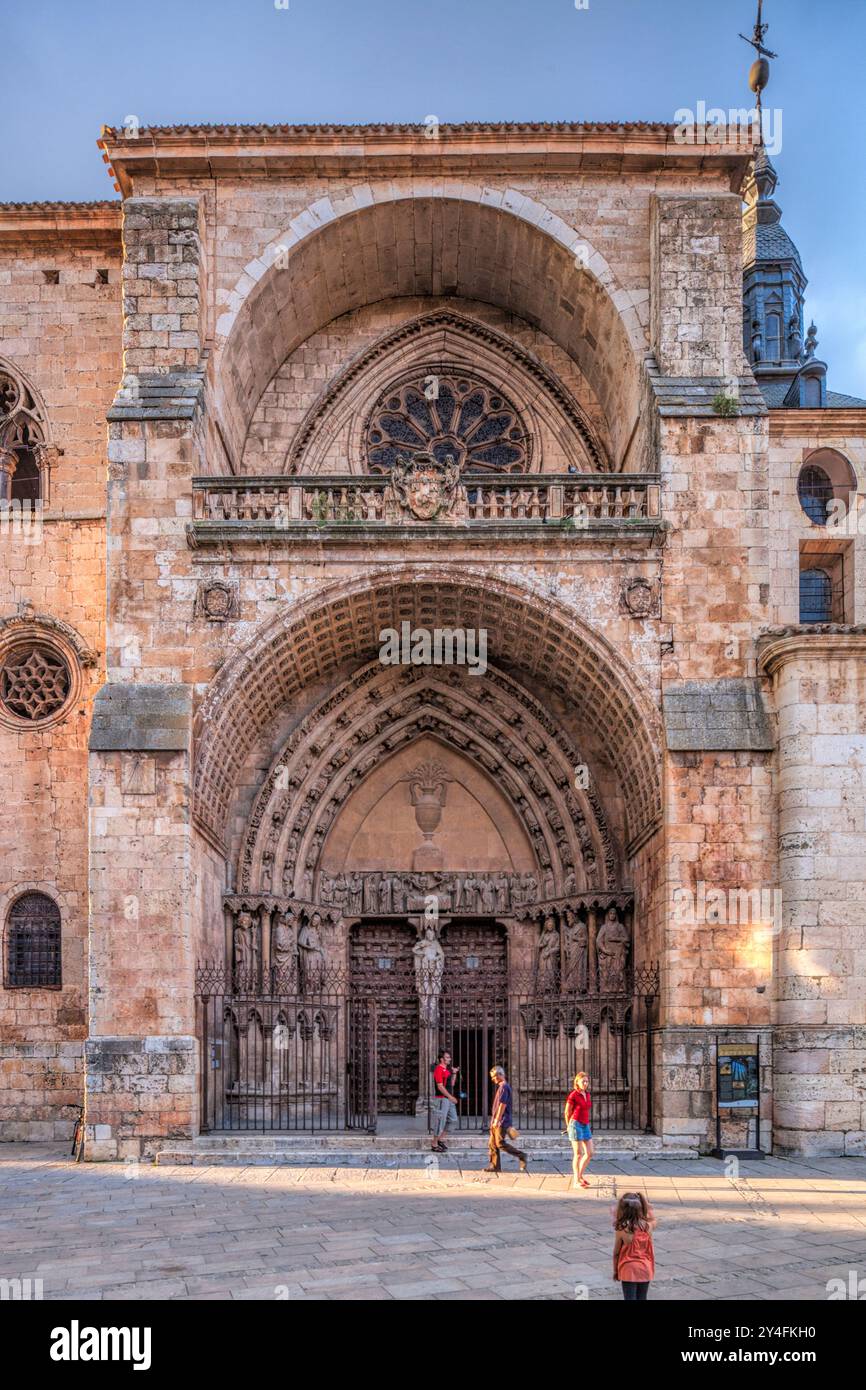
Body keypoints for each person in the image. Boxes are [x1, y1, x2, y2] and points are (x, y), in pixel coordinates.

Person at [484, 1065, 528, 1174]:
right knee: (492, 1144)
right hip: (499, 1120)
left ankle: (521, 1155)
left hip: (502, 1121)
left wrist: (497, 1120)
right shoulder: (502, 1087)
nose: (493, 1079)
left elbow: (502, 1105)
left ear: (500, 1075)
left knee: (499, 1143)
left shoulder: (504, 1087)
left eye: (494, 1076)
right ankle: (495, 1166)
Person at [613, 1192, 656, 1301]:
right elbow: (654, 1219)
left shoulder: (622, 1229)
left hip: (628, 1269)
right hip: (645, 1268)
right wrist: (647, 1206)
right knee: (642, 1297)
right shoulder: (648, 1227)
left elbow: (616, 1253)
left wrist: (615, 1271)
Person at [564, 1071, 593, 1189]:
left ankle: (580, 1176)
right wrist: (568, 1126)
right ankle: (576, 1180)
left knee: (590, 1153)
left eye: (587, 1081)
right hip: (575, 1124)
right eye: (583, 1081)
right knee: (578, 1154)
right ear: (577, 1082)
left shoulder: (587, 1094)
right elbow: (567, 1112)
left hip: (585, 1125)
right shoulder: (573, 1095)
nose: (585, 1083)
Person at [431, 1049, 459, 1154]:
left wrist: (454, 1073)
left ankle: (440, 1139)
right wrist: (450, 1097)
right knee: (440, 1121)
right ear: (441, 1059)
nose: (449, 1059)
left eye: (449, 1057)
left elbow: (451, 1084)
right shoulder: (438, 1069)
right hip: (441, 1099)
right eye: (447, 1057)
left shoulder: (447, 1070)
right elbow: (440, 1086)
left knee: (453, 1120)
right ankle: (434, 1144)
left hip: (448, 1099)